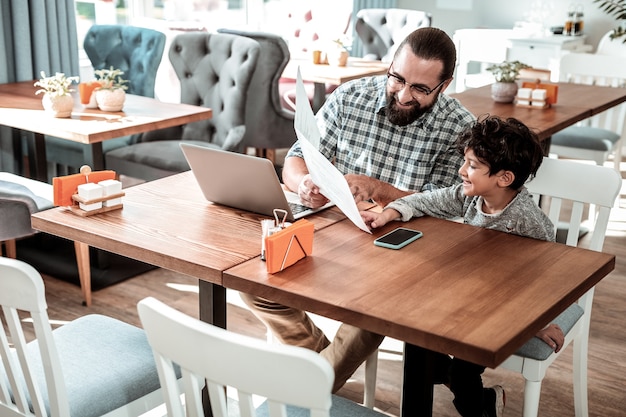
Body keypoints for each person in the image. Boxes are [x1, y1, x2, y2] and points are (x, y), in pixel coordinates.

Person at [239, 26, 476, 393]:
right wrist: (304, 183)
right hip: (336, 236)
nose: (403, 93)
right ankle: (320, 367)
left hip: (406, 250)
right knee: (256, 282)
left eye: (420, 88)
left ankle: (310, 391)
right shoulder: (351, 97)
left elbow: (449, 203)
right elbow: (297, 158)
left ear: (443, 86)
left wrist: (380, 190)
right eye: (397, 78)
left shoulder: (459, 126)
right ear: (391, 65)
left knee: (375, 311)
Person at [360, 115, 566, 417]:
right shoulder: (469, 197)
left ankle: (481, 407)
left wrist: (538, 322)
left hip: (505, 308)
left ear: (503, 178)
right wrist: (389, 213)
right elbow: (424, 201)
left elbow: (549, 276)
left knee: (459, 371)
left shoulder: (530, 222)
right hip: (466, 296)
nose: (461, 171)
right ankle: (465, 395)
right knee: (418, 343)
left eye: (471, 165)